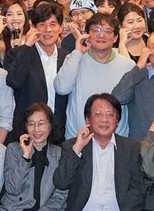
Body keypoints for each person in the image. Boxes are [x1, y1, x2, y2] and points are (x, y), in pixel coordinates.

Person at [53, 94, 147, 211]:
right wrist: (77, 149)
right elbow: (61, 182)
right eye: (98, 114)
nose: (104, 119)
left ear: (117, 120)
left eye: (110, 114)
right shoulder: (72, 146)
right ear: (87, 119)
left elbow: (137, 189)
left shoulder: (131, 148)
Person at [54, 12, 134, 140]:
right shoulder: (75, 58)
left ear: (115, 38)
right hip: (78, 139)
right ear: (87, 35)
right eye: (95, 30)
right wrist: (77, 53)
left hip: (117, 140)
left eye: (107, 31)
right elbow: (61, 88)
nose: (101, 35)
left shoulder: (127, 65)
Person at [5, 1, 70, 143]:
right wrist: (27, 46)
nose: (48, 29)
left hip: (58, 133)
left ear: (61, 28)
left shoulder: (67, 58)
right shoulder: (18, 54)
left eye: (53, 24)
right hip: (27, 133)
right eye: (42, 24)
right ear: (33, 27)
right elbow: (14, 81)